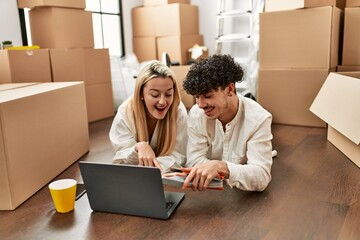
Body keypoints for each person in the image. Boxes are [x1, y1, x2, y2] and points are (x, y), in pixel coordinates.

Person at [182, 54, 273, 191]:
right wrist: (237, 171)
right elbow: (194, 160)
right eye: (197, 97)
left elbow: (261, 177)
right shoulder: (196, 114)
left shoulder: (258, 120)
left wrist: (221, 167)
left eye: (207, 96)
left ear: (230, 89)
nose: (200, 105)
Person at [109, 60, 188, 173]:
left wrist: (153, 168)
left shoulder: (178, 110)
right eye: (154, 94)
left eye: (168, 94)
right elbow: (120, 160)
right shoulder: (125, 112)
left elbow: (179, 155)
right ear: (141, 93)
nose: (162, 101)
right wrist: (138, 148)